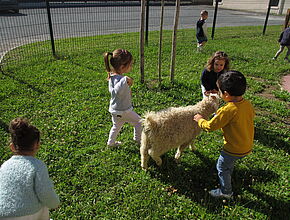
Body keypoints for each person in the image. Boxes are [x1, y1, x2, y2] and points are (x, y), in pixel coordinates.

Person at [194, 70, 255, 199]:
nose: (219, 93)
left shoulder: (227, 110)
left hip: (233, 149)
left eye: (219, 91)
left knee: (221, 167)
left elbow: (210, 127)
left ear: (226, 94)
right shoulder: (247, 104)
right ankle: (229, 171)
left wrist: (200, 119)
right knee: (228, 165)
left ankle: (226, 192)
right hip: (247, 144)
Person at [0, 118, 60, 219]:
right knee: (44, 206)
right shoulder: (37, 166)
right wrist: (55, 204)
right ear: (37, 145)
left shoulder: (4, 165)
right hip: (28, 214)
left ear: (12, 147)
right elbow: (45, 193)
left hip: (3, 213)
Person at [104, 48, 142, 147]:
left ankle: (110, 143)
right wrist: (125, 79)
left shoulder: (111, 76)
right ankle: (138, 141)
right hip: (124, 110)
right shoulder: (122, 80)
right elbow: (117, 91)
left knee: (116, 126)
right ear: (122, 66)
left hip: (114, 110)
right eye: (130, 65)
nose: (131, 67)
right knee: (139, 122)